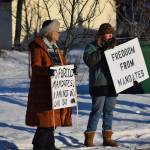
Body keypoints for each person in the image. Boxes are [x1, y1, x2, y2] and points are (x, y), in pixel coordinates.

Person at [25, 19, 72, 150]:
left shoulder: (55, 47)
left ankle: (50, 146)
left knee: (53, 121)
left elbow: (61, 65)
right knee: (46, 122)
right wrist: (51, 71)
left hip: (57, 89)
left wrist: (69, 69)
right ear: (49, 32)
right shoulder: (38, 47)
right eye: (57, 31)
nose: (59, 34)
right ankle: (39, 146)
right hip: (43, 90)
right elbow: (36, 67)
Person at [83, 23, 118, 147]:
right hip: (98, 83)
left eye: (111, 33)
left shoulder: (115, 46)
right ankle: (89, 138)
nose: (110, 36)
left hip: (113, 83)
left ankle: (107, 138)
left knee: (109, 111)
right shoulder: (91, 46)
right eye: (107, 33)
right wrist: (102, 51)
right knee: (96, 111)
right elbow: (90, 61)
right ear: (102, 34)